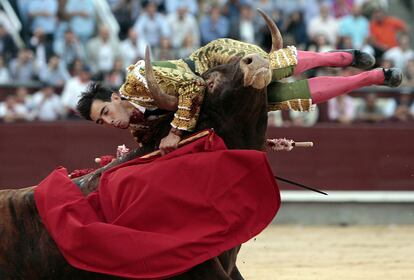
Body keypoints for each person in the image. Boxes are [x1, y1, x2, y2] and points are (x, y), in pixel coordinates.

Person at [77, 12, 402, 155]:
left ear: (117, 96)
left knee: (268, 69)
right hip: (219, 103)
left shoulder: (137, 78)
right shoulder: (138, 128)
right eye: (101, 122)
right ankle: (371, 78)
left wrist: (175, 132)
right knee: (283, 98)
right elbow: (185, 139)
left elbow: (191, 86)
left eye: (106, 111)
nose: (109, 121)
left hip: (213, 61)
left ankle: (341, 57)